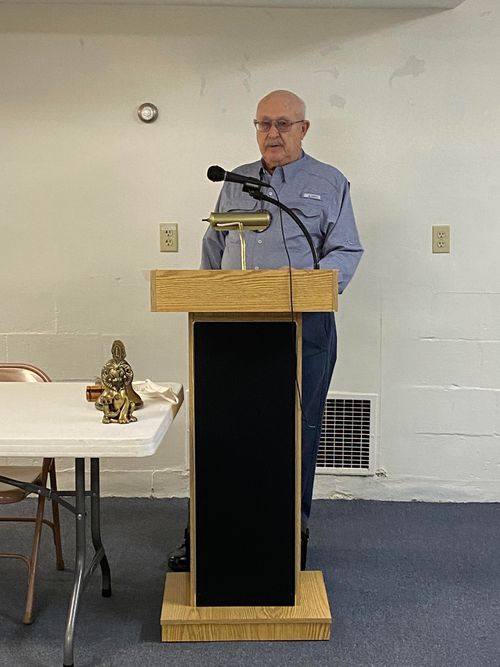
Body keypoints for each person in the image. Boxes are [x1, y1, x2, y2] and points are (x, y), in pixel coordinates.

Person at [168, 89, 363, 572]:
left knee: (299, 428)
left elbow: (346, 250)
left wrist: (315, 287)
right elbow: (214, 244)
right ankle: (210, 530)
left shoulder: (329, 181)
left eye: (281, 124)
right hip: (235, 328)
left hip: (306, 327)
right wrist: (207, 303)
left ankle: (289, 529)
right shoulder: (235, 181)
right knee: (225, 425)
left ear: (303, 128)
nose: (271, 134)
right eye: (262, 125)